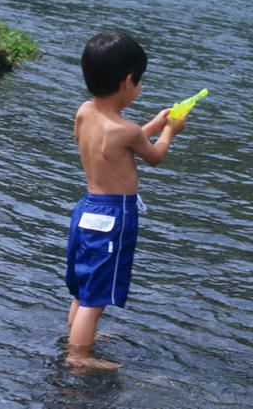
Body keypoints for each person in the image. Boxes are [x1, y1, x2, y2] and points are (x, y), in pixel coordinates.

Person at [65, 31, 186, 369]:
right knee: (96, 297)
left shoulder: (85, 112)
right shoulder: (127, 131)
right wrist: (171, 131)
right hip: (112, 218)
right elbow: (154, 156)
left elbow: (123, 143)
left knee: (84, 288)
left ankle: (77, 335)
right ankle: (79, 357)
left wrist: (156, 122)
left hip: (86, 209)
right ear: (128, 82)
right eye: (139, 81)